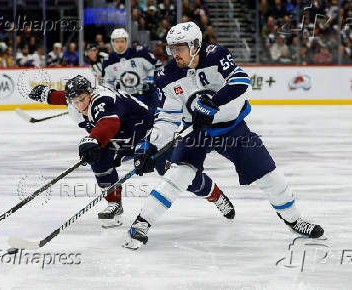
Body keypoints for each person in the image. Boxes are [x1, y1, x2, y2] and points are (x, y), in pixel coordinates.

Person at [124, 22, 324, 250]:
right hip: (196, 132)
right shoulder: (167, 76)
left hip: (232, 130)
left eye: (180, 47)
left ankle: (294, 219)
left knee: (270, 176)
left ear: (195, 45)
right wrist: (149, 146)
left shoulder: (216, 55)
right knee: (176, 177)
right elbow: (167, 118)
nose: (174, 53)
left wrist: (212, 103)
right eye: (172, 48)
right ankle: (142, 222)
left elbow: (241, 82)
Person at [26, 75, 235, 228]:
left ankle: (216, 196)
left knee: (176, 173)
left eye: (83, 99)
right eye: (75, 101)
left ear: (90, 93)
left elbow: (109, 123)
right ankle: (114, 205)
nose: (80, 104)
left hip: (146, 135)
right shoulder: (75, 100)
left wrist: (92, 139)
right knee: (98, 158)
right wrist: (46, 94)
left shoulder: (102, 100)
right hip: (119, 141)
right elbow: (62, 96)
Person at [102, 28, 161, 113]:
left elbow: (157, 66)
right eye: (117, 41)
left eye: (122, 41)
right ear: (112, 42)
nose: (119, 44)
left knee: (154, 121)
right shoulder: (108, 61)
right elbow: (107, 84)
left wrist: (151, 79)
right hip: (126, 100)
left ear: (127, 41)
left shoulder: (141, 52)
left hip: (147, 96)